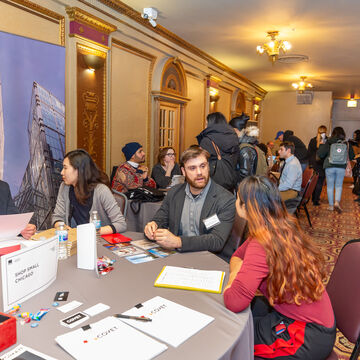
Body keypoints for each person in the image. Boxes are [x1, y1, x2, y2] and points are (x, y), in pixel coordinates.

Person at [223, 176, 335, 360]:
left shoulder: (261, 242)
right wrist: (238, 273)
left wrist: (234, 280)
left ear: (245, 207)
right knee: (243, 322)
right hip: (301, 315)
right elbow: (237, 257)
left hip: (306, 334)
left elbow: (233, 301)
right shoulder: (277, 227)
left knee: (237, 339)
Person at [144, 146, 235, 255]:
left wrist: (178, 242)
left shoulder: (226, 199)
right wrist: (152, 226)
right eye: (192, 168)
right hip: (177, 256)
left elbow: (216, 241)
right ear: (183, 171)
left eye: (203, 166)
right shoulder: (174, 193)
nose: (199, 172)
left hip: (209, 258)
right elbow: (160, 219)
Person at [52, 149, 126, 234]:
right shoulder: (64, 187)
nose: (62, 172)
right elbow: (57, 217)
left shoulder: (101, 190)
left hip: (99, 241)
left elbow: (121, 224)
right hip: (75, 240)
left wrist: (90, 232)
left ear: (78, 170)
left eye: (65, 168)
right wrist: (61, 227)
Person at [196, 112, 239, 191]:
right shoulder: (234, 138)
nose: (205, 127)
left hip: (213, 183)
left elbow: (201, 163)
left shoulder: (207, 140)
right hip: (230, 181)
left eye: (206, 124)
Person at [317, 127, 354, 213]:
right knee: (338, 186)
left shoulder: (329, 141)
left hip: (329, 165)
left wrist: (322, 144)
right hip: (341, 166)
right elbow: (352, 156)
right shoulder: (346, 143)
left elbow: (320, 154)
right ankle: (337, 202)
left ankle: (330, 205)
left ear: (333, 133)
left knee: (330, 186)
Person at [308, 125, 328, 205]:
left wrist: (310, 164)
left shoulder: (313, 140)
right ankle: (316, 200)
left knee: (314, 182)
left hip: (313, 163)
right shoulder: (327, 141)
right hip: (322, 164)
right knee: (320, 182)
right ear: (325, 131)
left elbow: (309, 153)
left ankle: (313, 198)